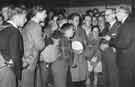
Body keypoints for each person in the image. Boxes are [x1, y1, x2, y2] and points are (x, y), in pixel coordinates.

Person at [0, 6, 27, 87]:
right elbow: (15, 55)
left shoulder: (2, 26)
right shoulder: (14, 31)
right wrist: (18, 74)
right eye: (24, 17)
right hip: (8, 70)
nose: (25, 20)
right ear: (16, 17)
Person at [21, 6, 47, 87]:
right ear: (38, 13)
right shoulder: (36, 26)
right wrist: (43, 38)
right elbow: (40, 45)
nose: (46, 15)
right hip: (30, 61)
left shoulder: (29, 24)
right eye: (44, 13)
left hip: (26, 60)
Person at [110, 7, 135, 87]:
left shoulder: (127, 24)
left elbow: (124, 43)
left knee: (125, 83)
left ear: (124, 13)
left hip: (126, 62)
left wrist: (111, 41)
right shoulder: (129, 23)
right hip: (129, 60)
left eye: (117, 13)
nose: (116, 15)